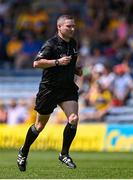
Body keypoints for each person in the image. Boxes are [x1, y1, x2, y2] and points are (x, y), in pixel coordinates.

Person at [17, 14, 82, 171]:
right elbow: (36, 63)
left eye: (73, 26)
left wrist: (76, 70)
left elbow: (71, 63)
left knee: (73, 118)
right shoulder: (50, 44)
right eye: (69, 26)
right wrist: (57, 62)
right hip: (50, 89)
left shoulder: (73, 43)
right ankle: (24, 151)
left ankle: (64, 154)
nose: (72, 29)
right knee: (39, 126)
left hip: (67, 88)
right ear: (59, 27)